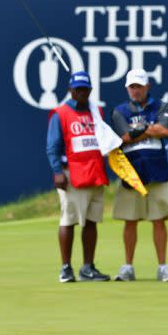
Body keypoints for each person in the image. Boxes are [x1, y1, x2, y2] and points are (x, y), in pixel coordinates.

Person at [110, 69, 168, 282]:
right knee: (130, 221)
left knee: (159, 220)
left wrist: (143, 128)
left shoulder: (162, 106)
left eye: (139, 86)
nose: (135, 91)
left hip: (157, 170)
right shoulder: (119, 110)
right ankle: (128, 267)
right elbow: (126, 136)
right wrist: (147, 129)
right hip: (131, 173)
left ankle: (163, 267)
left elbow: (165, 131)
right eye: (132, 87)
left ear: (147, 87)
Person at [46, 71, 111, 283]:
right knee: (69, 220)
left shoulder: (96, 111)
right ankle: (66, 268)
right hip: (70, 174)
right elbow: (52, 146)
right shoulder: (60, 113)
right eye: (78, 89)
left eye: (85, 89)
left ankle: (87, 268)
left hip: (95, 171)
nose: (81, 92)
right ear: (70, 91)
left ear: (90, 90)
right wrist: (57, 171)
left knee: (91, 221)